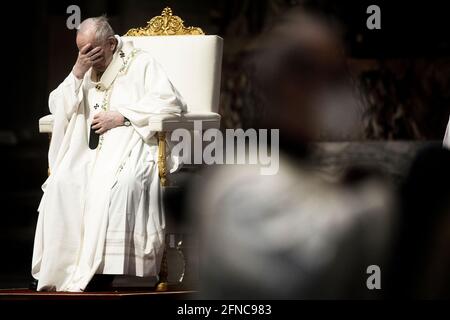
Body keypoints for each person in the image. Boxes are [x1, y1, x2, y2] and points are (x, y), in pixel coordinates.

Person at [31, 16, 186, 292]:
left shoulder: (140, 63)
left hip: (132, 144)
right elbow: (58, 105)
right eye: (82, 52)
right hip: (91, 151)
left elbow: (170, 102)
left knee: (118, 185)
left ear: (112, 44)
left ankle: (106, 270)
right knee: (62, 183)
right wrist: (77, 72)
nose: (89, 58)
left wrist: (123, 116)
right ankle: (60, 267)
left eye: (94, 51)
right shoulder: (85, 68)